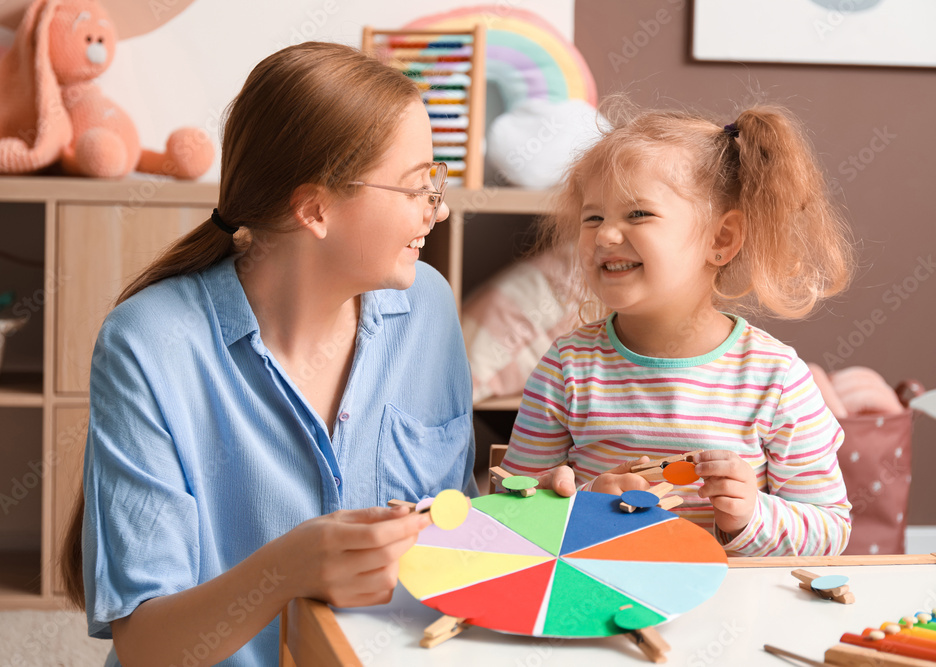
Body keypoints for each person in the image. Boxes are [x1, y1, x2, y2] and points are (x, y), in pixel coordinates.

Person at [59, 41, 479, 667]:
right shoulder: (149, 344)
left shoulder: (428, 308)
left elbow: (454, 532)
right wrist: (284, 570)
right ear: (315, 209)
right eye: (419, 186)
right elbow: (146, 646)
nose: (438, 209)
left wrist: (564, 512)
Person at [501, 101, 855, 557]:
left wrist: (750, 515)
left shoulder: (777, 379)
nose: (606, 235)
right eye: (593, 218)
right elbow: (511, 513)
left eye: (638, 214)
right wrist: (583, 506)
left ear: (720, 239)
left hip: (730, 612)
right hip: (600, 597)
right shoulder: (565, 368)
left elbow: (830, 529)